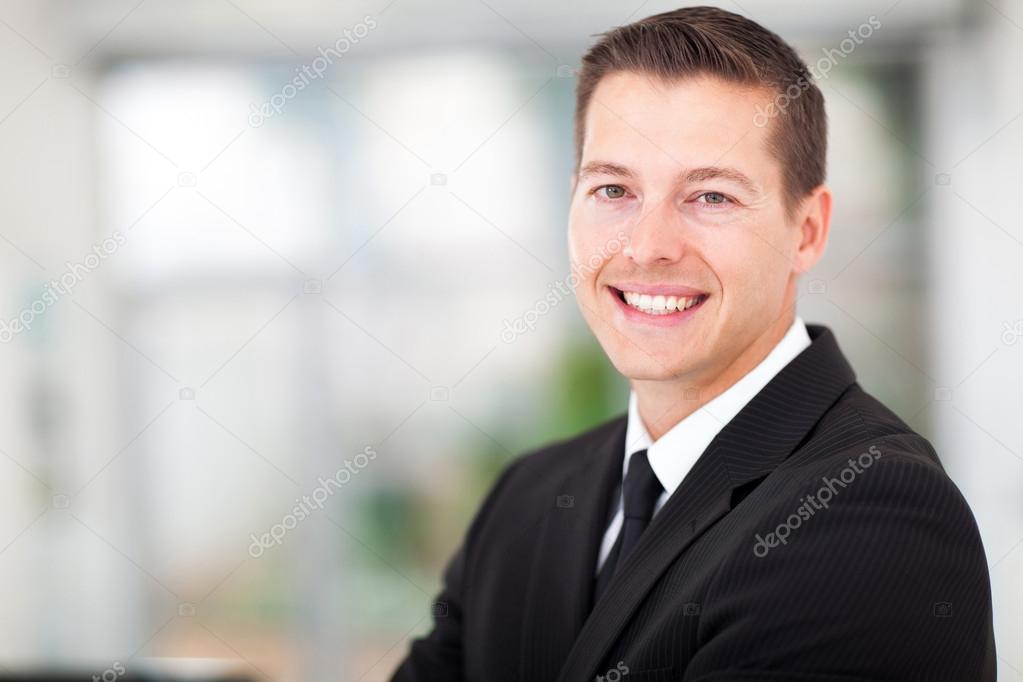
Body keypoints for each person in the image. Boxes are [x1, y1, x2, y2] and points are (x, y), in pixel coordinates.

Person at [390, 6, 996, 680]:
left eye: (709, 196)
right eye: (613, 189)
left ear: (807, 229)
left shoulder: (873, 512)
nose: (647, 247)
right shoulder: (529, 495)